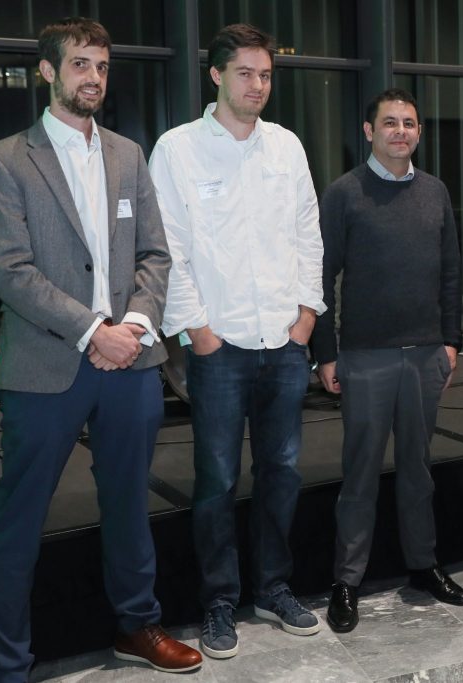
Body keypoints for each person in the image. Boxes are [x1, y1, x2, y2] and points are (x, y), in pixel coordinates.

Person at [0, 17, 201, 681]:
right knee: (18, 519)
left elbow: (158, 254)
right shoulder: (4, 160)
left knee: (130, 504)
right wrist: (91, 330)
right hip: (47, 365)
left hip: (130, 362)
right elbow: (11, 271)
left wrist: (131, 326)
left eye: (101, 66)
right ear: (47, 72)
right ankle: (5, 662)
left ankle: (137, 624)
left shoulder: (129, 156)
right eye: (79, 65)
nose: (93, 78)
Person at [148, 23, 325, 659]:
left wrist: (307, 317)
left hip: (283, 339)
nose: (258, 85)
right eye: (246, 73)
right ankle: (219, 603)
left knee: (282, 472)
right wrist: (197, 330)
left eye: (267, 75)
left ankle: (274, 587)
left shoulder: (286, 147)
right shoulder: (176, 149)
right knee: (217, 479)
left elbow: (309, 232)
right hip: (217, 346)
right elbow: (167, 247)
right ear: (216, 75)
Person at [311, 88, 463, 633]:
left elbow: (452, 272)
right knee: (359, 475)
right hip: (365, 358)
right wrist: (325, 354)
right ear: (368, 130)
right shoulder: (344, 193)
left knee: (418, 472)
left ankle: (423, 567)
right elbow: (322, 276)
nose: (400, 131)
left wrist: (452, 342)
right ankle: (346, 581)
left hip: (426, 356)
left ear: (418, 132)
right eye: (390, 123)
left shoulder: (435, 192)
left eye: (409, 124)